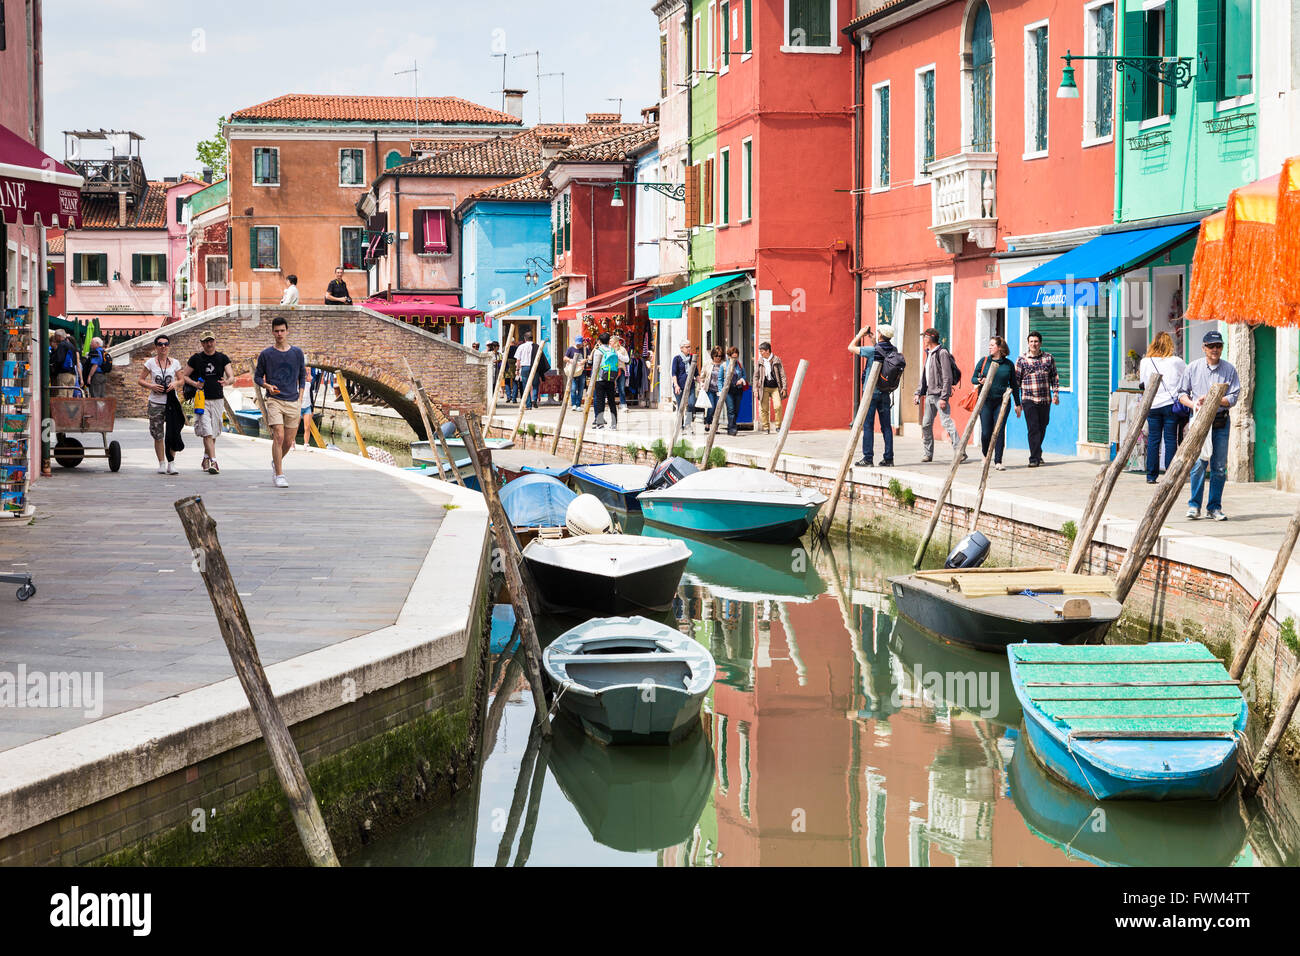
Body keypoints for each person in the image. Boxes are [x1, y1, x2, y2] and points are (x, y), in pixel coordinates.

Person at [1180, 330, 1241, 520]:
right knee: (1198, 464)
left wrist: (1214, 399)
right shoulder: (1192, 368)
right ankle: (1194, 505)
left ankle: (1214, 507)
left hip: (1221, 421)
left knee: (1219, 467)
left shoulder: (1229, 369)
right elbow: (1181, 394)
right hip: (1199, 421)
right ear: (1204, 347)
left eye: (1219, 346)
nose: (1215, 349)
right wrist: (1195, 404)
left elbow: (1233, 397)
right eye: (1211, 346)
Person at [254, 316, 309, 488]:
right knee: (279, 435)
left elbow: (302, 376)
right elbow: (257, 377)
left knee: (288, 441)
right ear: (272, 332)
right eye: (276, 331)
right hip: (274, 400)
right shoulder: (266, 354)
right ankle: (279, 474)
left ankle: (275, 462)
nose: (279, 334)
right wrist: (267, 386)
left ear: (287, 331)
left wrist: (300, 398)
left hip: (293, 400)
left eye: (282, 331)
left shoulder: (297, 353)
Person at [182, 331, 235, 474]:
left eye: (211, 341)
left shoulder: (222, 358)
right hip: (201, 399)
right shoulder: (196, 359)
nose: (209, 344)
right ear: (202, 343)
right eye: (206, 341)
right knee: (207, 431)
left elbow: (231, 377)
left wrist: (226, 381)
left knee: (214, 432)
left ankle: (206, 457)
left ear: (215, 341)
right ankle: (214, 462)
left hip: (218, 398)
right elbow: (184, 375)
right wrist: (194, 384)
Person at [1139, 331, 1187, 484]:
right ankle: (1170, 475)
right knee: (1170, 439)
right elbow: (1186, 376)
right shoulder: (1176, 361)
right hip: (1170, 405)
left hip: (1152, 405)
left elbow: (1142, 383)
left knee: (1153, 440)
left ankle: (1151, 476)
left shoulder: (1145, 362)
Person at [972, 336, 1022, 471]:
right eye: (989, 345)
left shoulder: (1008, 364)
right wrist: (979, 380)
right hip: (986, 401)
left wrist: (1018, 404)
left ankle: (998, 460)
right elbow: (973, 378)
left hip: (1002, 402)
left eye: (992, 345)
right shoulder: (984, 362)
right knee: (986, 432)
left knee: (999, 430)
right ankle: (985, 455)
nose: (989, 347)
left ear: (1000, 348)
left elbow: (1014, 385)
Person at [915, 328, 964, 463]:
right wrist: (918, 393)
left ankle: (960, 452)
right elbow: (925, 376)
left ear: (930, 338)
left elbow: (947, 377)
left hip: (939, 396)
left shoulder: (942, 353)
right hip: (929, 395)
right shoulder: (929, 354)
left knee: (947, 423)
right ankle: (928, 454)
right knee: (926, 424)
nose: (923, 340)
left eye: (924, 337)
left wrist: (944, 397)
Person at [137, 333, 184, 474]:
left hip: (171, 402)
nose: (163, 346)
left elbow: (182, 380)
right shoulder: (150, 363)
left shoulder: (174, 362)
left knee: (172, 432)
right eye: (160, 344)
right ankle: (161, 463)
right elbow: (140, 380)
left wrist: (175, 383)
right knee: (158, 434)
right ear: (156, 347)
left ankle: (171, 463)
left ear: (169, 347)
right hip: (156, 402)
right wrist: (151, 386)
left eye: (166, 344)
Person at [849, 326, 895, 467]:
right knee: (886, 426)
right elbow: (882, 352)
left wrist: (860, 334)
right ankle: (888, 458)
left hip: (871, 393)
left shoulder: (872, 351)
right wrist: (875, 341)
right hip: (885, 392)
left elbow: (851, 347)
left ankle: (868, 458)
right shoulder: (893, 350)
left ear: (881, 335)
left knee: (868, 426)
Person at [1014, 329, 1059, 467]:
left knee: (1042, 426)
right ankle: (1033, 458)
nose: (1034, 344)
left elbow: (1054, 377)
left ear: (1040, 343)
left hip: (1045, 399)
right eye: (1031, 341)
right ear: (1028, 343)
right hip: (1029, 399)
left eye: (1036, 341)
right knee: (1033, 428)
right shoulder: (1022, 360)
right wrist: (1017, 403)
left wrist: (1056, 394)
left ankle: (1037, 452)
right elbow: (1016, 381)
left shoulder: (1048, 358)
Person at [755, 342, 787, 434]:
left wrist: (784, 388)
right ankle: (766, 428)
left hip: (775, 388)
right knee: (764, 408)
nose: (760, 353)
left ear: (767, 351)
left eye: (762, 351)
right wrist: (755, 390)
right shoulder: (760, 361)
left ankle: (778, 426)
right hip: (763, 388)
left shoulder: (776, 360)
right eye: (760, 351)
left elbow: (782, 375)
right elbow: (755, 376)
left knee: (778, 406)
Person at [591, 331, 621, 429]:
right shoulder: (613, 351)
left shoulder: (598, 351)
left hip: (600, 379)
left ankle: (600, 423)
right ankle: (614, 424)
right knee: (611, 401)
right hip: (611, 378)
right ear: (609, 341)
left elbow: (595, 366)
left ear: (599, 341)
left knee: (600, 400)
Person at [671, 341, 697, 433]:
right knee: (680, 406)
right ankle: (680, 425)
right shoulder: (677, 359)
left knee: (691, 404)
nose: (689, 348)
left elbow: (696, 373)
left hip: (691, 386)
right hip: (680, 386)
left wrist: (701, 383)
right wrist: (676, 385)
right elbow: (674, 373)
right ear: (681, 348)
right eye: (687, 347)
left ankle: (688, 424)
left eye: (690, 347)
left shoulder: (692, 359)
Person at [723, 346, 748, 436]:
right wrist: (720, 390)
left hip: (738, 389)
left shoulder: (740, 365)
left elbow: (744, 376)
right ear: (729, 356)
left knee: (736, 409)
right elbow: (720, 378)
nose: (734, 359)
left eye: (736, 357)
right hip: (728, 390)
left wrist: (741, 380)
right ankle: (732, 428)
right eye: (733, 357)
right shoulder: (724, 365)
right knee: (731, 409)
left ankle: (732, 425)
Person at [700, 345, 726, 428]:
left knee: (718, 409)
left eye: (720, 356)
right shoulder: (708, 363)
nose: (718, 358)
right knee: (711, 407)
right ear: (712, 355)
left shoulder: (724, 364)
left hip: (720, 390)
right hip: (710, 388)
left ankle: (715, 426)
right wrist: (702, 383)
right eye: (716, 356)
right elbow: (702, 376)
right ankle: (708, 422)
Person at [50, 329, 79, 394]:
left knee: (62, 395)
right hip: (72, 374)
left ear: (59, 336)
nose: (55, 338)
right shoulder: (71, 345)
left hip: (64, 373)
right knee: (70, 396)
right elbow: (75, 360)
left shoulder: (62, 345)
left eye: (55, 336)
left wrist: (54, 368)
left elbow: (59, 359)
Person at [515, 331, 539, 408]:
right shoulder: (537, 346)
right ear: (532, 338)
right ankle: (534, 399)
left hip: (524, 367)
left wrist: (517, 369)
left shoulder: (521, 347)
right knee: (535, 384)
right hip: (534, 367)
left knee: (526, 386)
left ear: (525, 339)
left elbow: (518, 360)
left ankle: (528, 405)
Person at [565, 337, 588, 409]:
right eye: (577, 344)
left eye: (580, 344)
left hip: (582, 371)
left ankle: (578, 405)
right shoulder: (570, 349)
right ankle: (574, 404)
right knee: (573, 388)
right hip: (573, 371)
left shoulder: (585, 349)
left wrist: (585, 360)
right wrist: (570, 360)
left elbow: (589, 358)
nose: (578, 345)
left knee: (581, 389)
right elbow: (565, 358)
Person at [612, 334, 631, 409]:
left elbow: (627, 360)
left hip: (621, 370)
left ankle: (623, 404)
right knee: (611, 388)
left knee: (621, 388)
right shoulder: (609, 349)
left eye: (612, 341)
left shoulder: (622, 349)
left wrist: (618, 355)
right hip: (611, 370)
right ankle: (611, 404)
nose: (610, 342)